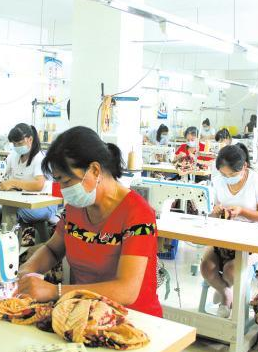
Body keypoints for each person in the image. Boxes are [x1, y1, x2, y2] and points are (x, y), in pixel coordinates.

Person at [16, 126, 162, 317]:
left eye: (66, 181)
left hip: (132, 318)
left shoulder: (138, 214)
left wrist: (55, 291)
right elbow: (53, 249)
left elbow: (126, 290)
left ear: (94, 170)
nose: (63, 190)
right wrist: (27, 270)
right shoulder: (76, 207)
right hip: (84, 312)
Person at [199, 144, 258, 318]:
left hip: (251, 239)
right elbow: (213, 211)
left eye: (231, 175)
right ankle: (226, 293)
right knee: (206, 267)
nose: (227, 178)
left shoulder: (257, 181)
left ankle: (231, 300)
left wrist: (241, 211)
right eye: (224, 174)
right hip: (224, 236)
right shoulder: (218, 180)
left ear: (244, 166)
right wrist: (215, 211)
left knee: (231, 270)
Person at [0, 123, 56, 226]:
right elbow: (0, 172)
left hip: (44, 204)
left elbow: (39, 185)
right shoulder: (14, 155)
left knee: (5, 215)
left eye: (19, 143)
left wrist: (13, 183)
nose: (17, 147)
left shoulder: (40, 158)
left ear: (30, 139)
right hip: (24, 201)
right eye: (14, 144)